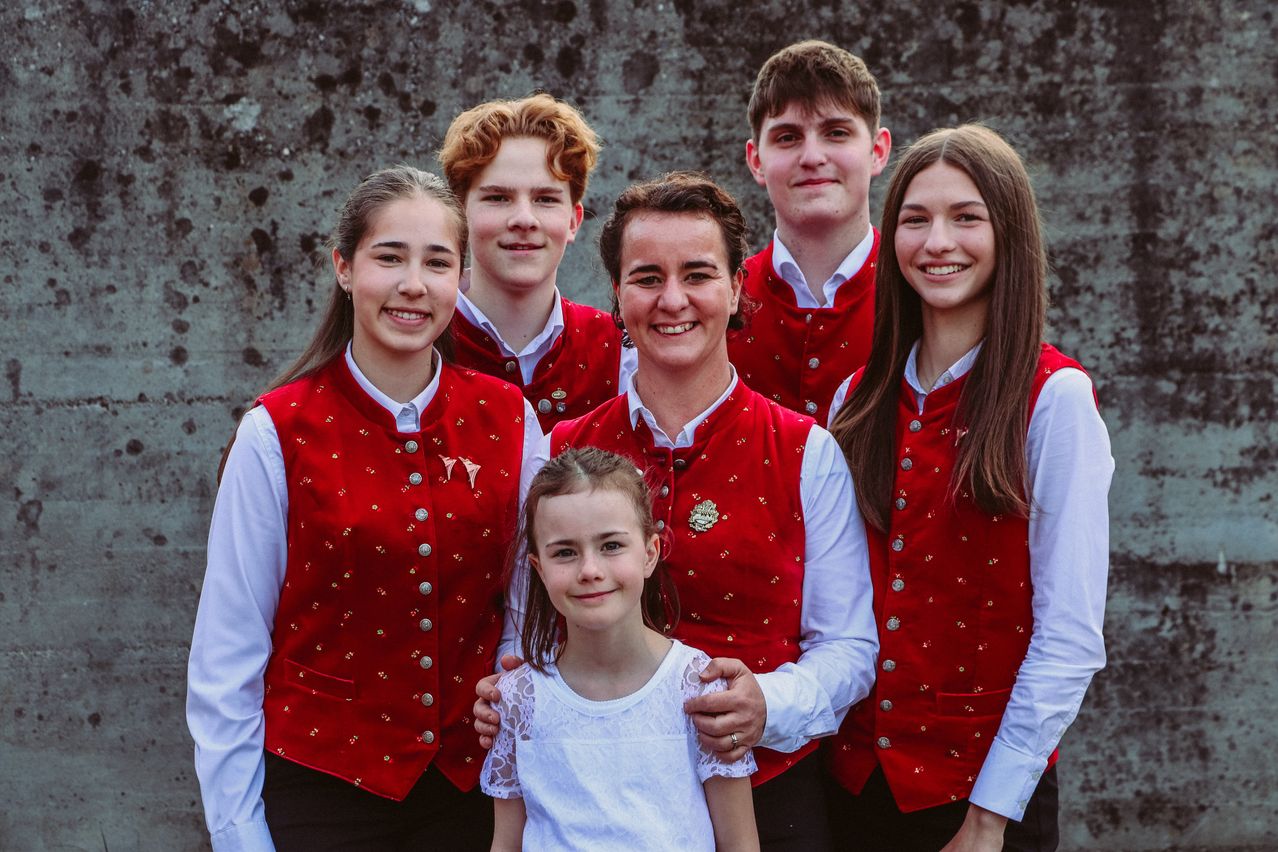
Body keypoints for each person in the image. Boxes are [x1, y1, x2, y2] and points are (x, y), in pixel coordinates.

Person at [477, 172, 879, 851]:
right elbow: (526, 622)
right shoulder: (561, 446)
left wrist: (764, 705)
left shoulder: (806, 451)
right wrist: (509, 694)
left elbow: (849, 648)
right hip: (591, 794)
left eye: (697, 274)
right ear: (617, 294)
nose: (672, 300)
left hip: (769, 796)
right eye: (646, 277)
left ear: (735, 289)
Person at [187, 166, 541, 851]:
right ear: (344, 268)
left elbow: (525, 611)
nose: (414, 283)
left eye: (437, 262)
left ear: (461, 280)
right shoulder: (277, 430)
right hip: (321, 785)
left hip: (471, 791)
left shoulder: (509, 419)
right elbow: (228, 657)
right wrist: (240, 836)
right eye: (389, 257)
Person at [826, 125, 1113, 851]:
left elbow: (1070, 635)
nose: (937, 241)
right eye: (915, 219)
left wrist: (989, 818)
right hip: (851, 786)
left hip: (983, 802)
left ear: (1008, 233)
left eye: (966, 217)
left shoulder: (1055, 398)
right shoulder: (852, 400)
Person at [482, 447, 760, 851]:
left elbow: (740, 843)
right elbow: (505, 842)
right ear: (539, 569)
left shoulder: (698, 687)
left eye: (611, 546)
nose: (590, 570)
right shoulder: (519, 699)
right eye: (565, 552)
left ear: (650, 552)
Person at [438, 93, 636, 431]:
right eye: (498, 198)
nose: (524, 219)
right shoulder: (420, 340)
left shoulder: (622, 351)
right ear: (458, 214)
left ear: (573, 221)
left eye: (545, 199)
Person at [727, 39, 892, 424]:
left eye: (836, 133)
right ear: (756, 160)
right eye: (788, 137)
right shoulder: (714, 299)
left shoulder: (922, 293)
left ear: (878, 151)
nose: (813, 157)